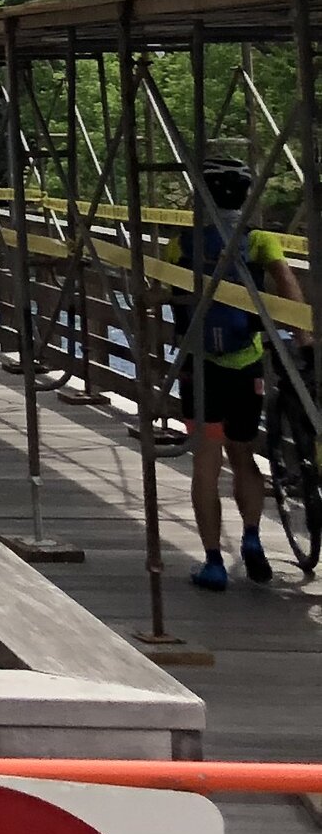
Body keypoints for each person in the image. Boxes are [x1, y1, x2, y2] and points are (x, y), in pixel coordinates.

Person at [178, 161, 301, 590]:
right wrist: (302, 334)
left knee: (206, 462)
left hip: (200, 367)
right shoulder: (261, 240)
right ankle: (251, 538)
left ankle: (213, 561)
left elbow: (160, 293)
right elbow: (288, 286)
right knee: (245, 454)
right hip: (246, 361)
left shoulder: (183, 240)